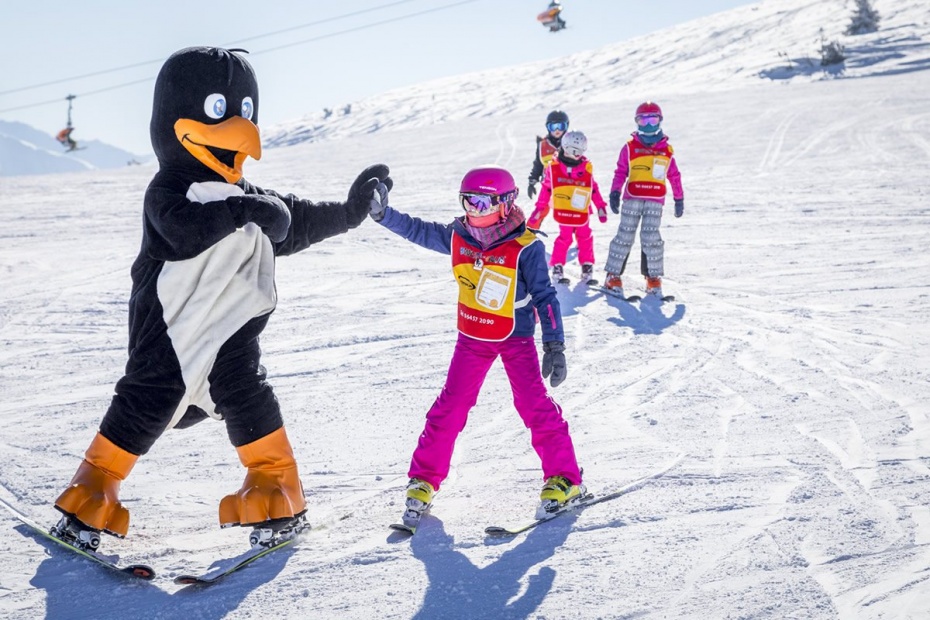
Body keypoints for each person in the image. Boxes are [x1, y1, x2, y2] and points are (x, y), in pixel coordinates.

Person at [51, 46, 390, 550]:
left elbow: (296, 223)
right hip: (171, 329)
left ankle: (276, 484)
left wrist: (347, 211)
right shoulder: (169, 190)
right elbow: (181, 232)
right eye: (219, 113)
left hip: (232, 333)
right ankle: (94, 489)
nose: (240, 133)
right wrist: (244, 211)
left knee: (249, 396)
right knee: (146, 401)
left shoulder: (248, 193)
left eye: (245, 115)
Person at [369, 165, 585, 528]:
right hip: (472, 337)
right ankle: (424, 479)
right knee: (450, 406)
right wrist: (383, 215)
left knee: (533, 405)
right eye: (468, 201)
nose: (474, 210)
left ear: (505, 203)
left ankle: (564, 479)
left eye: (484, 202)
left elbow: (546, 297)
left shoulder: (526, 247)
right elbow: (418, 231)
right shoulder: (458, 236)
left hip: (515, 338)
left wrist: (555, 344)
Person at [603, 101, 684, 298]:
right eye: (643, 120)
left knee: (651, 238)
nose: (648, 125)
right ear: (637, 122)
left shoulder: (667, 150)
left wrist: (679, 197)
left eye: (653, 120)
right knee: (625, 236)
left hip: (655, 200)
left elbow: (674, 175)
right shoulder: (630, 147)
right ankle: (612, 275)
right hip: (633, 197)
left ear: (660, 121)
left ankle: (653, 278)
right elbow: (621, 171)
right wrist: (615, 192)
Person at [527, 130, 609, 285]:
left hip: (581, 211)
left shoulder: (585, 168)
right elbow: (546, 189)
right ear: (565, 148)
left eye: (580, 151)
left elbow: (593, 188)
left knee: (585, 236)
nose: (577, 155)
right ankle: (557, 266)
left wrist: (600, 206)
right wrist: (539, 208)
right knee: (565, 237)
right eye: (573, 151)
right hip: (564, 210)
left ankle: (587, 265)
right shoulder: (554, 168)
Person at [527, 110, 569, 201]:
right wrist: (532, 181)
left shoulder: (570, 143)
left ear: (566, 127)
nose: (557, 130)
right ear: (548, 128)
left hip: (567, 184)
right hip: (548, 185)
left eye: (561, 126)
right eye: (553, 127)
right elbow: (538, 164)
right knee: (541, 208)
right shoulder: (543, 145)